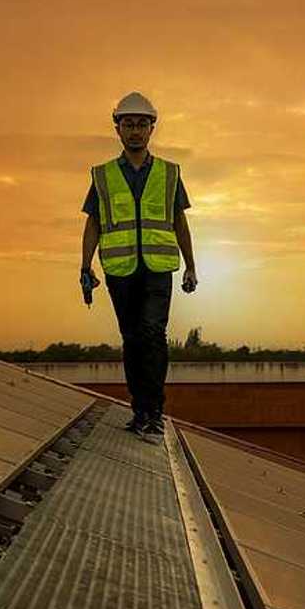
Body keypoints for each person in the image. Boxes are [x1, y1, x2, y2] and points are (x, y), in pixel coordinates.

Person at [80, 91, 197, 437]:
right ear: (117, 129)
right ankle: (139, 409)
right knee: (132, 338)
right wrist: (85, 267)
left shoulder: (169, 173)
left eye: (142, 124)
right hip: (120, 270)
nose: (135, 130)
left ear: (151, 129)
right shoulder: (102, 176)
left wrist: (191, 265)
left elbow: (179, 221)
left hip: (158, 267)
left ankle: (154, 410)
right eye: (128, 124)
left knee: (153, 333)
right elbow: (93, 223)